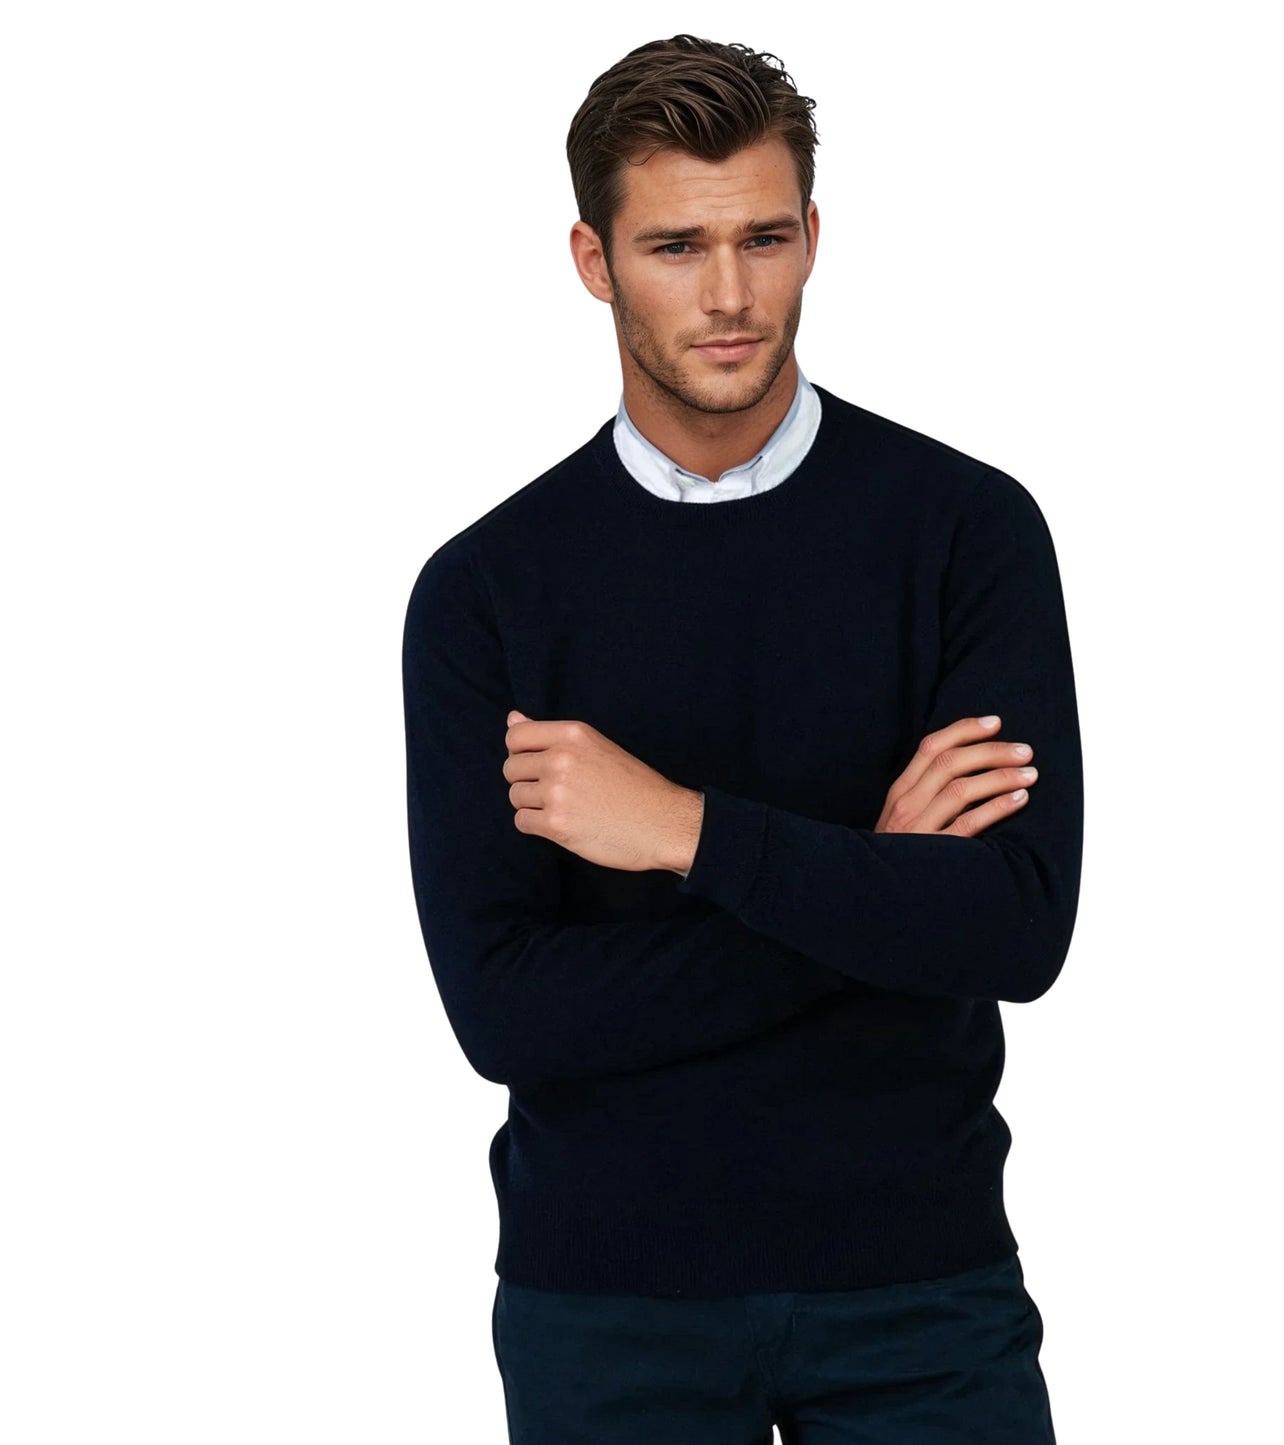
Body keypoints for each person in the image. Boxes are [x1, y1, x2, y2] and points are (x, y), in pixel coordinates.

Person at [401, 32, 1083, 1444]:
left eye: (763, 239)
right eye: (675, 247)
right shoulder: (486, 592)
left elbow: (1013, 932)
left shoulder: (969, 532)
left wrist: (682, 832)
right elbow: (508, 1015)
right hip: (607, 1305)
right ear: (593, 261)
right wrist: (874, 881)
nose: (728, 295)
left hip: (921, 1290)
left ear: (813, 238)